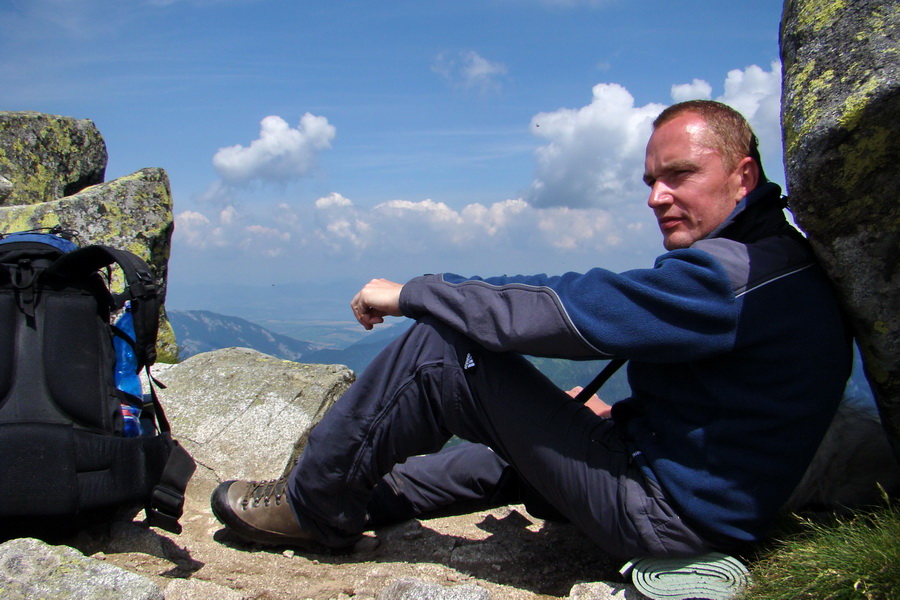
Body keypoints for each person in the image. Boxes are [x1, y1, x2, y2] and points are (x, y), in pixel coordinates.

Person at [211, 100, 851, 559]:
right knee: (509, 452)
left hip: (668, 518)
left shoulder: (734, 277)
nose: (657, 197)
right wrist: (619, 416)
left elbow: (565, 310)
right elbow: (726, 401)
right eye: (651, 181)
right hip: (673, 482)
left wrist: (415, 293)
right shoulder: (770, 263)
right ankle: (357, 496)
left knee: (439, 352)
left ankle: (311, 506)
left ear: (742, 176)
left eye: (680, 175)